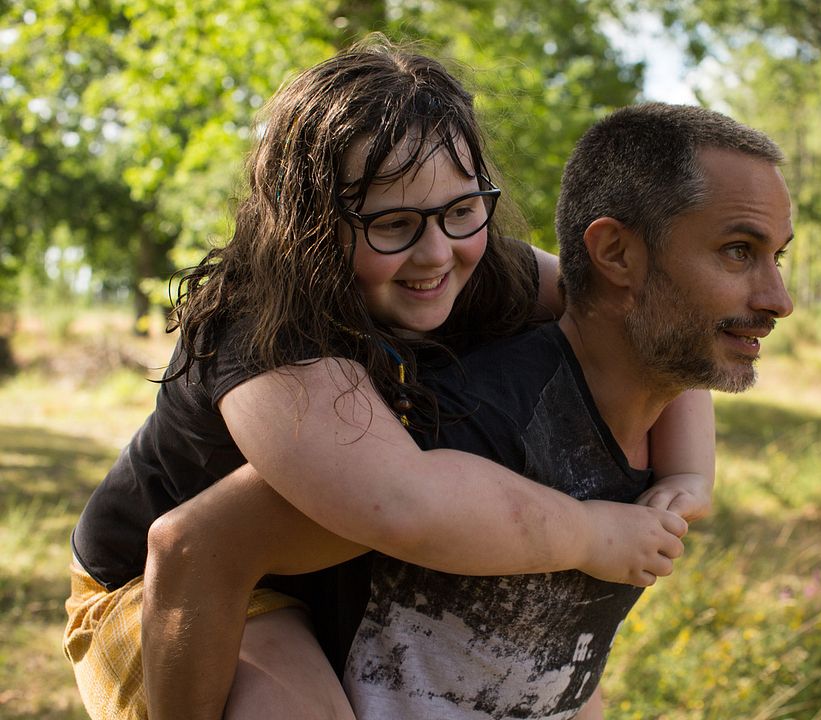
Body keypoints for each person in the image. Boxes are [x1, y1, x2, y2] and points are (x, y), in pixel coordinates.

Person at [62, 39, 713, 720]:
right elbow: (403, 503)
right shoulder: (270, 333)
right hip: (165, 585)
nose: (436, 255)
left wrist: (689, 474)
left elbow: (635, 311)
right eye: (393, 224)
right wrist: (588, 534)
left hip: (333, 572)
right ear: (311, 225)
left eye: (462, 211)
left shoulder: (486, 266)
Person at [336, 102, 794, 718]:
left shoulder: (651, 433)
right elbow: (208, 545)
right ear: (617, 254)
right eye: (738, 251)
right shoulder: (458, 423)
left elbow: (551, 671)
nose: (779, 300)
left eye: (778, 257)